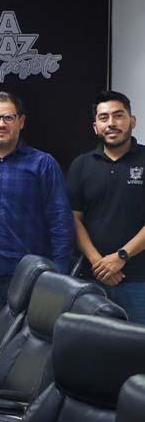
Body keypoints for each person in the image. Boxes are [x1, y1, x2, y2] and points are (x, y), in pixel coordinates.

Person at [0, 91, 74, 339]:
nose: (1, 124)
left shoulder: (42, 164)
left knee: (25, 350)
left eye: (9, 118)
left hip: (29, 278)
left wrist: (59, 279)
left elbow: (60, 222)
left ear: (21, 122)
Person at [68, 90, 145, 324]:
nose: (111, 123)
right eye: (104, 118)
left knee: (137, 354)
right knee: (92, 353)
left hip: (139, 282)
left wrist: (121, 257)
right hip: (92, 281)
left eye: (118, 116)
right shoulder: (81, 165)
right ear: (95, 126)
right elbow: (74, 219)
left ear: (132, 121)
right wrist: (98, 262)